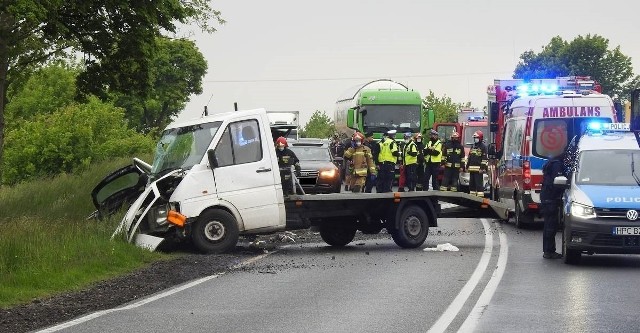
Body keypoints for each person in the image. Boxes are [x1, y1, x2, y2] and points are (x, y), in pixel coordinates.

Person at [540, 152, 566, 259]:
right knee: (551, 225)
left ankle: (548, 250)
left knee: (548, 225)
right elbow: (557, 182)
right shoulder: (557, 164)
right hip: (551, 198)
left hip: (547, 197)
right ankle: (549, 251)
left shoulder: (552, 162)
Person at [466, 130, 488, 197]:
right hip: (472, 169)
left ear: (480, 138)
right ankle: (472, 198)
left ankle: (480, 198)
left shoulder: (483, 147)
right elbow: (469, 157)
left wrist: (482, 168)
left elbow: (484, 159)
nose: (475, 139)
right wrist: (467, 167)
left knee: (479, 185)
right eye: (475, 138)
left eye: (477, 138)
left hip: (479, 170)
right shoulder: (473, 146)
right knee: (471, 184)